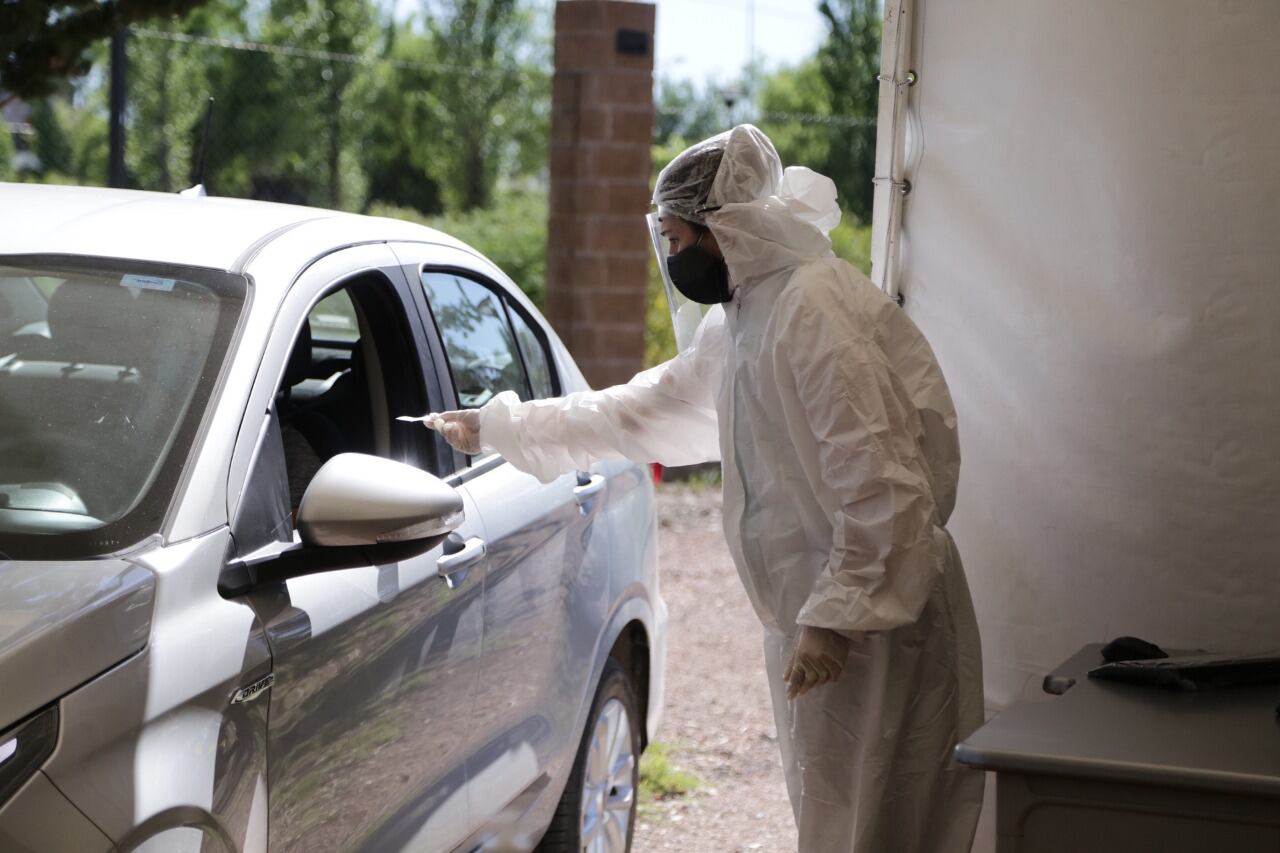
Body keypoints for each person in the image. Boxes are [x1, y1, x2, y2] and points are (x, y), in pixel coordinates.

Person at [428, 125, 984, 853]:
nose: (671, 254)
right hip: (831, 624)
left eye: (676, 236)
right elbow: (644, 408)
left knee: (884, 829)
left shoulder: (814, 313)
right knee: (838, 824)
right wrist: (501, 427)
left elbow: (884, 483)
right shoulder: (750, 316)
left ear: (723, 228)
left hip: (881, 629)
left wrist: (838, 615)